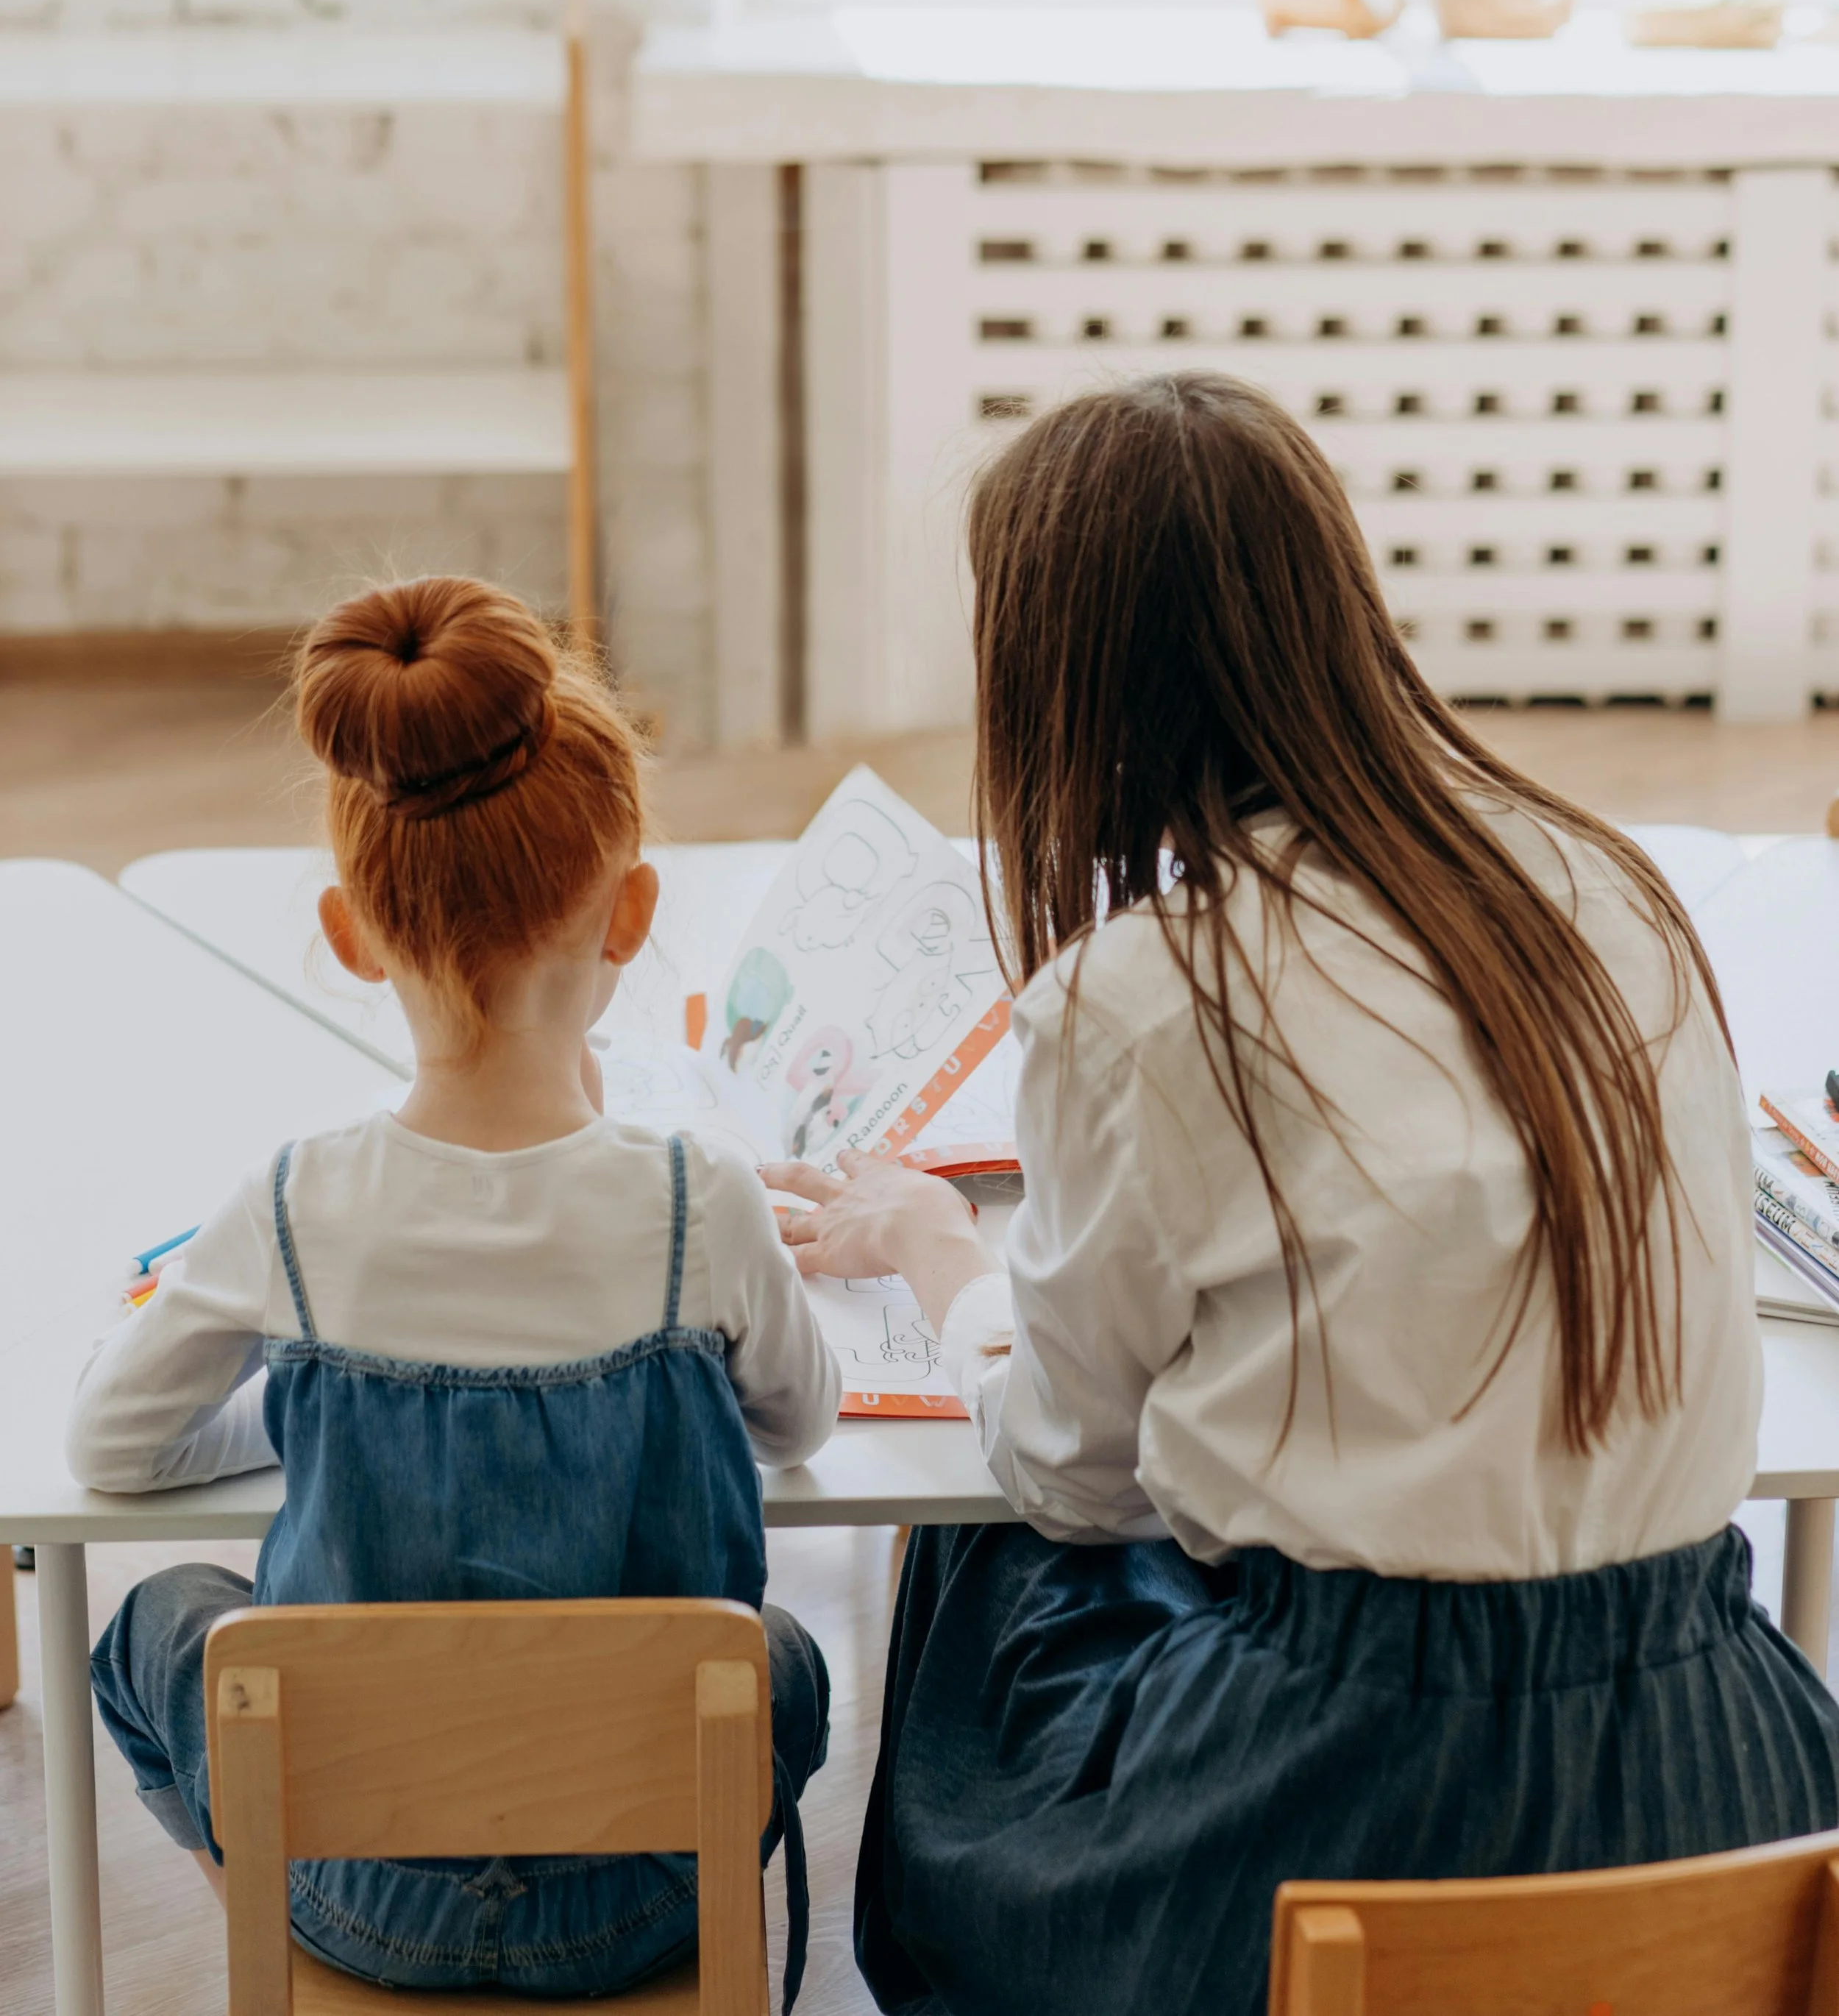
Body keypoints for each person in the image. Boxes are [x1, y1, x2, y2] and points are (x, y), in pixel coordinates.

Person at [770, 372, 1839, 2016]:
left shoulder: (1137, 997)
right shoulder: (1609, 893)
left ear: (1073, 689)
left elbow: (1068, 1476)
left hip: (1350, 1805)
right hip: (1716, 1757)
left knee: (983, 1547)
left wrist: (940, 1258)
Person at [71, 574, 839, 2002]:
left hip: (359, 1903)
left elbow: (115, 1450)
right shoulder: (703, 1200)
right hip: (645, 1896)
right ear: (630, 914)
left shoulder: (293, 1206)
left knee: (152, 1626)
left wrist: (303, 1398)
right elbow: (796, 1426)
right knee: (776, 1661)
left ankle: (271, 1923)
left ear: (351, 932)